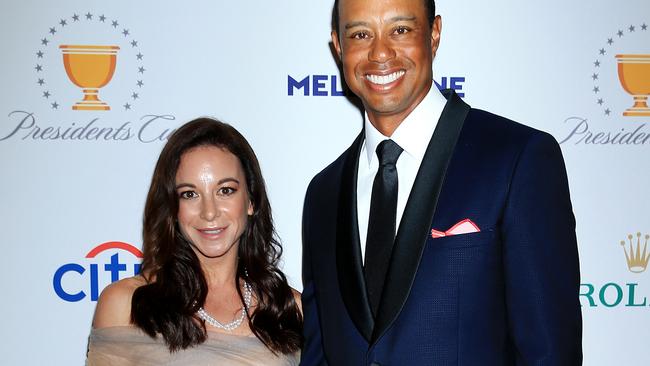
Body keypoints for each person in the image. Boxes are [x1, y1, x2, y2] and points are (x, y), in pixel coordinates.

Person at [301, 0, 582, 364]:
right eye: (360, 34)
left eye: (400, 30)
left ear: (434, 34)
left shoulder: (517, 159)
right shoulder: (323, 193)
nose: (380, 52)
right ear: (338, 47)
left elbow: (550, 354)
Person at [87, 118, 302, 365]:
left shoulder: (289, 308)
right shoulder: (126, 304)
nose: (209, 212)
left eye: (225, 190)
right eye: (190, 194)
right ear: (172, 208)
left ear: (251, 201)